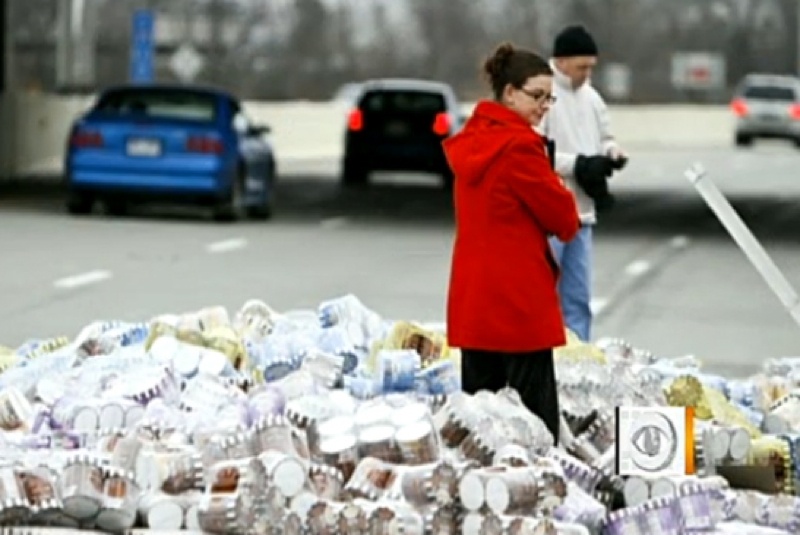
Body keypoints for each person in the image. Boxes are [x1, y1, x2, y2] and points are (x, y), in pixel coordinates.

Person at [443, 42, 581, 443]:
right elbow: (565, 220)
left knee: (481, 436)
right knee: (538, 434)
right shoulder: (519, 147)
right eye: (536, 96)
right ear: (509, 93)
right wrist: (558, 182)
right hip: (518, 306)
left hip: (475, 301)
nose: (543, 106)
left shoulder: (473, 139)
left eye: (549, 98)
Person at [539, 25, 628, 343]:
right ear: (561, 62)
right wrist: (576, 164)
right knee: (543, 295)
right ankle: (542, 356)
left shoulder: (592, 98)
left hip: (583, 215)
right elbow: (535, 152)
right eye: (582, 67)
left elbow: (605, 136)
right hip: (550, 216)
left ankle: (577, 358)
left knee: (578, 299)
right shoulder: (544, 96)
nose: (587, 73)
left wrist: (611, 153)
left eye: (591, 67)